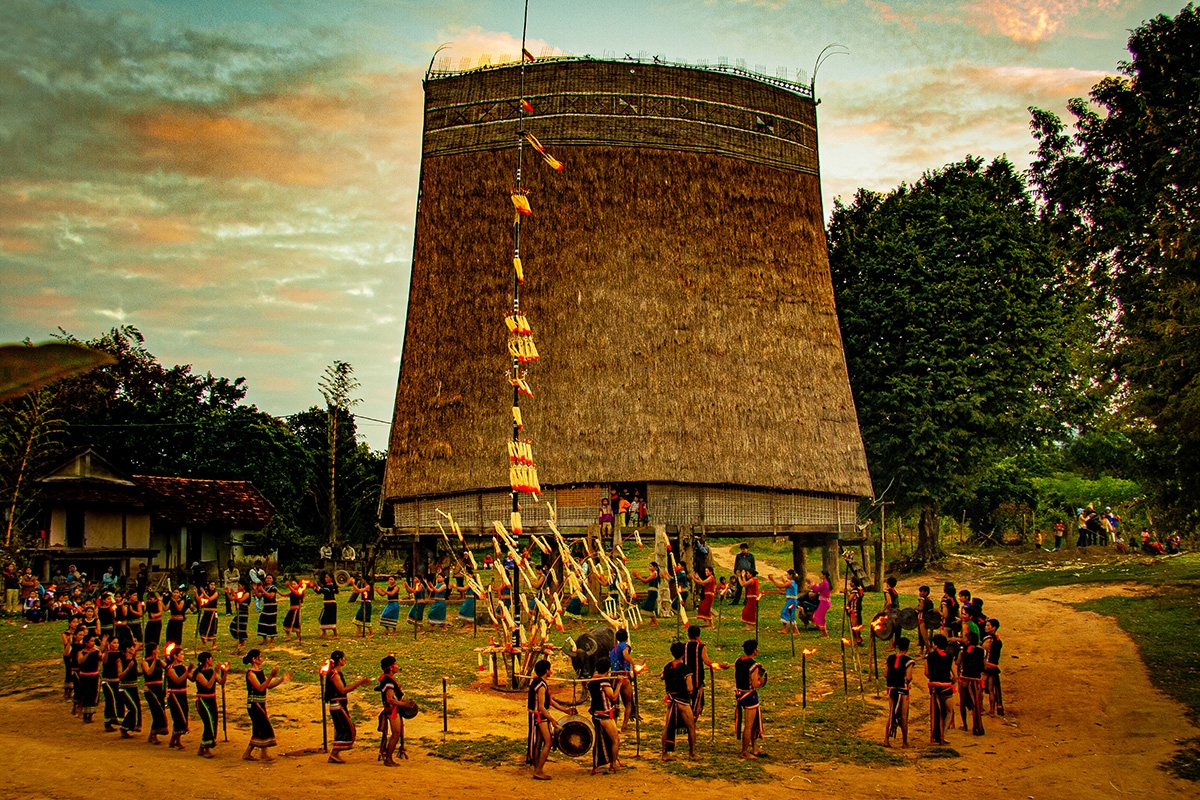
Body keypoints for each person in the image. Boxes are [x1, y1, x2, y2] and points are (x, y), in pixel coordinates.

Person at [526, 659, 573, 780]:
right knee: (548, 742)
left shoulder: (536, 682)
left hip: (535, 715)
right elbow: (542, 707)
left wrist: (564, 710)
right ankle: (538, 770)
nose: (551, 670)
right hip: (540, 716)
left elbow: (549, 701)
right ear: (547, 671)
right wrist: (552, 720)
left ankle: (537, 766)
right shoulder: (542, 685)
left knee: (539, 742)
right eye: (550, 668)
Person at [324, 650, 370, 763]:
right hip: (337, 705)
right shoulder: (335, 674)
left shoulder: (336, 673)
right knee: (346, 729)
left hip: (340, 705)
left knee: (342, 728)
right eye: (344, 658)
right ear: (340, 660)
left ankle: (335, 754)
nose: (345, 660)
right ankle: (334, 754)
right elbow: (343, 690)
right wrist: (359, 683)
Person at [243, 648, 289, 761]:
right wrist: (271, 676)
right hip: (254, 704)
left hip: (260, 703)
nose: (262, 659)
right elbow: (260, 687)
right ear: (254, 659)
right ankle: (263, 753)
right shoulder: (251, 674)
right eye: (260, 657)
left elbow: (268, 685)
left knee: (258, 728)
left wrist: (281, 679)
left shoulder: (260, 672)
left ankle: (248, 753)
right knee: (264, 727)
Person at [734, 639, 766, 759]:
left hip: (740, 693)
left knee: (753, 724)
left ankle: (755, 748)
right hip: (749, 697)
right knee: (749, 725)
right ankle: (744, 751)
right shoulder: (754, 666)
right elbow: (755, 684)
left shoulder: (738, 661)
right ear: (754, 650)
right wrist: (761, 681)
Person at [587, 660, 620, 774]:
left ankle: (600, 764)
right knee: (615, 740)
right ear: (608, 670)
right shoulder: (604, 683)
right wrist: (619, 684)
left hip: (596, 714)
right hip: (604, 716)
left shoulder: (592, 681)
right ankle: (613, 764)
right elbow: (614, 697)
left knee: (600, 741)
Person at [192, 651, 225, 758]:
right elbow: (208, 685)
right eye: (211, 658)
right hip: (203, 701)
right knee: (208, 723)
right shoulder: (199, 674)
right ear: (207, 660)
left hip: (212, 700)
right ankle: (205, 748)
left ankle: (202, 748)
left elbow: (221, 682)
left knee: (213, 722)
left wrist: (224, 672)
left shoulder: (211, 672)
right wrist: (215, 672)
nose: (212, 660)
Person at [884, 636, 914, 747]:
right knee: (904, 716)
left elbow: (886, 674)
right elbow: (909, 677)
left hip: (891, 689)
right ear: (907, 648)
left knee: (891, 713)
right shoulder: (909, 661)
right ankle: (905, 742)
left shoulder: (890, 658)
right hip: (903, 690)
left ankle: (886, 739)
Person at [376, 655, 406, 766]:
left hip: (393, 710)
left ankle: (388, 756)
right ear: (392, 667)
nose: (397, 666)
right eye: (396, 664)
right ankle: (388, 758)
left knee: (396, 733)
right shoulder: (388, 681)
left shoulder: (387, 679)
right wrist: (404, 704)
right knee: (396, 734)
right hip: (392, 711)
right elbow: (389, 699)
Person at [926, 633, 955, 745]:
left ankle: (934, 735)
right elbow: (955, 676)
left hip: (934, 688)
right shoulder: (949, 657)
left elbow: (927, 673)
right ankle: (943, 733)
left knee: (935, 712)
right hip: (946, 688)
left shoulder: (930, 656)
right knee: (949, 712)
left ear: (936, 645)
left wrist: (934, 679)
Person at [609, 627, 637, 731]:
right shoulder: (625, 647)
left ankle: (615, 724)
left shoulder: (613, 648)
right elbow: (625, 655)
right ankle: (624, 725)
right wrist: (633, 664)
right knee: (628, 702)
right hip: (623, 677)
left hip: (613, 676)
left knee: (615, 703)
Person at [958, 631, 986, 736]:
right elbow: (984, 666)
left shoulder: (963, 650)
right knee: (976, 704)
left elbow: (958, 663)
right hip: (976, 681)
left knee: (962, 702)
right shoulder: (981, 651)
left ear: (968, 640)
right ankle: (977, 725)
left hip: (965, 679)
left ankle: (964, 725)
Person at [165, 644, 192, 749]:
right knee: (178, 716)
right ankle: (176, 740)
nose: (183, 656)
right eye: (181, 654)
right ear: (175, 656)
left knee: (183, 715)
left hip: (183, 695)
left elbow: (192, 678)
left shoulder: (183, 667)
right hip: (174, 695)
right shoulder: (170, 669)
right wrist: (187, 671)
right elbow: (177, 680)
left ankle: (174, 740)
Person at [142, 641, 168, 745]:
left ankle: (153, 734)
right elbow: (149, 672)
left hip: (159, 689)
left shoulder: (159, 661)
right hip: (150, 689)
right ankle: (154, 733)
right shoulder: (145, 662)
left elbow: (167, 668)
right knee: (156, 711)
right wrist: (154, 660)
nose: (158, 651)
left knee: (160, 710)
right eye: (157, 649)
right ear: (153, 651)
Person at [117, 640, 142, 738]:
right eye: (132, 647)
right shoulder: (121, 660)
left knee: (137, 706)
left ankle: (131, 726)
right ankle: (124, 727)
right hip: (125, 688)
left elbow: (136, 673)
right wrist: (128, 668)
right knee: (132, 708)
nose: (133, 649)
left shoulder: (133, 659)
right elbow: (120, 675)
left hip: (134, 687)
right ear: (127, 649)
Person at [76, 633, 102, 724]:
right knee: (86, 695)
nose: (92, 643)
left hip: (94, 676)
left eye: (93, 641)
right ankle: (84, 714)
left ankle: (90, 715)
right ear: (86, 643)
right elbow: (80, 661)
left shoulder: (97, 651)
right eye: (91, 641)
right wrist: (88, 654)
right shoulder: (81, 652)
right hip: (84, 676)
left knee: (93, 695)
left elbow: (102, 659)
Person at [100, 634, 123, 732]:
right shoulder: (107, 653)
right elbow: (104, 661)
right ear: (109, 644)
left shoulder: (120, 654)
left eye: (117, 643)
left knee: (120, 700)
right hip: (108, 681)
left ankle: (118, 719)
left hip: (117, 681)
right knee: (109, 701)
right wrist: (105, 648)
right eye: (114, 643)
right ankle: (107, 722)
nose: (116, 645)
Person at [982, 618, 1004, 717]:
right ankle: (992, 711)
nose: (986, 627)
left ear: (994, 628)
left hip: (987, 666)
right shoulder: (998, 640)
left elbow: (983, 653)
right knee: (991, 689)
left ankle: (980, 708)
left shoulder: (988, 640)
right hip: (994, 666)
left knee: (980, 688)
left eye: (988, 626)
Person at [255, 574, 278, 644]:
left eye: (270, 578)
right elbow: (259, 597)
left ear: (272, 580)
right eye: (267, 578)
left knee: (271, 623)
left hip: (272, 607)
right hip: (266, 607)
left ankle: (272, 639)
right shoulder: (265, 588)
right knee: (262, 622)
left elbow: (271, 596)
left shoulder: (273, 588)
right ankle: (264, 638)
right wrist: (256, 589)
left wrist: (262, 590)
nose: (268, 580)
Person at [228, 585, 250, 653]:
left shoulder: (247, 593)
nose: (238, 587)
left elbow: (240, 600)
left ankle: (242, 642)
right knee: (233, 626)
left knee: (242, 627)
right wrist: (228, 593)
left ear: (243, 586)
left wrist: (234, 594)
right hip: (239, 612)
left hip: (244, 612)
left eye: (239, 585)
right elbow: (231, 599)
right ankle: (239, 640)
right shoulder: (239, 593)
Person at [197, 581, 220, 647]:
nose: (212, 586)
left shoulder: (215, 593)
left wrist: (204, 593)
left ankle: (214, 643)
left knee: (212, 627)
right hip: (206, 612)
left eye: (214, 585)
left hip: (213, 612)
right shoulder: (206, 592)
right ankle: (204, 642)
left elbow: (210, 599)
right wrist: (196, 593)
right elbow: (199, 599)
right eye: (211, 585)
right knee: (203, 626)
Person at [812, 569, 833, 637]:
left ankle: (824, 632)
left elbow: (817, 589)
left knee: (818, 616)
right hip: (825, 602)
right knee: (821, 617)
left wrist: (812, 585)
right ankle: (824, 632)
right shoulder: (826, 582)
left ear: (824, 576)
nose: (820, 575)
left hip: (824, 602)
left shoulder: (825, 583)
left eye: (821, 574)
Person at [318, 573, 339, 638]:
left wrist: (318, 587)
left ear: (331, 578)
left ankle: (335, 634)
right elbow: (320, 591)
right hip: (326, 604)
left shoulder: (331, 586)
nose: (326, 579)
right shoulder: (326, 585)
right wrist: (315, 587)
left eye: (327, 577)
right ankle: (324, 632)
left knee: (331, 619)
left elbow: (326, 591)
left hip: (331, 604)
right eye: (325, 577)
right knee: (322, 618)